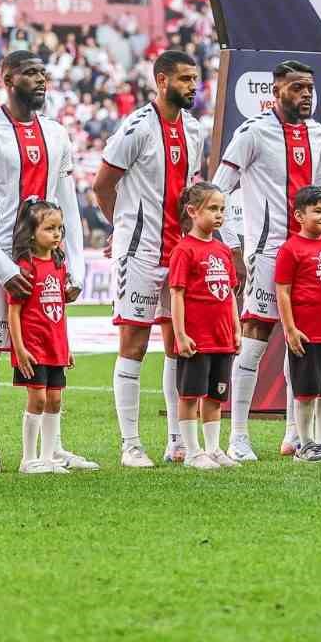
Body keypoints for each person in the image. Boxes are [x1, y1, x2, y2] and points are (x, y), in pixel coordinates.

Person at [0, 51, 90, 473]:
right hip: (1, 260)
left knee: (51, 354)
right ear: (7, 77)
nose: (40, 80)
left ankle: (52, 450)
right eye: (30, 72)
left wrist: (77, 265)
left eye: (43, 73)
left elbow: (69, 202)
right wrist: (3, 266)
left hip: (46, 264)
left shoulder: (56, 133)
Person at [92, 49, 205, 468]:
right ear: (162, 81)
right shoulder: (136, 127)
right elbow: (103, 185)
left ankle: (177, 440)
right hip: (139, 252)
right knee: (135, 343)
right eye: (185, 79)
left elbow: (189, 190)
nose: (193, 86)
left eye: (195, 79)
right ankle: (131, 444)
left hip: (179, 252)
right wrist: (121, 226)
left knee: (178, 345)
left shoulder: (193, 129)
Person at [213, 60, 321, 462]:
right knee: (256, 338)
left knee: (303, 343)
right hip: (268, 252)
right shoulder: (252, 133)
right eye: (297, 88)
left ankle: (295, 435)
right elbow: (218, 191)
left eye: (310, 89)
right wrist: (232, 246)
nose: (305, 96)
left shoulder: (319, 135)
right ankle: (239, 435)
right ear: (276, 89)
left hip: (311, 255)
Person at [167, 182, 241, 471]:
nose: (219, 214)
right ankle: (192, 450)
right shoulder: (184, 250)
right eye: (213, 208)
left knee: (215, 395)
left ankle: (213, 448)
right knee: (189, 395)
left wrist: (236, 328)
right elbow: (177, 294)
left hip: (222, 338)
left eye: (222, 209)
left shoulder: (223, 251)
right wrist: (181, 334)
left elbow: (231, 294)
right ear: (192, 211)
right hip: (196, 339)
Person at [6, 198, 82, 475]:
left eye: (59, 228)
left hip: (55, 345)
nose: (57, 234)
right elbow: (13, 312)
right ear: (32, 232)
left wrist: (66, 345)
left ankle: (49, 457)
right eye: (50, 228)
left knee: (55, 400)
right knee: (37, 399)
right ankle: (29, 459)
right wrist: (20, 348)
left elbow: (59, 311)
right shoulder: (24, 267)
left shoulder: (59, 265)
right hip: (33, 347)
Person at [275, 185, 321, 463]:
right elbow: (282, 291)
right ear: (299, 215)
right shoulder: (290, 249)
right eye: (317, 211)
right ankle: (304, 445)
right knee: (305, 393)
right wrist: (290, 329)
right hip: (307, 334)